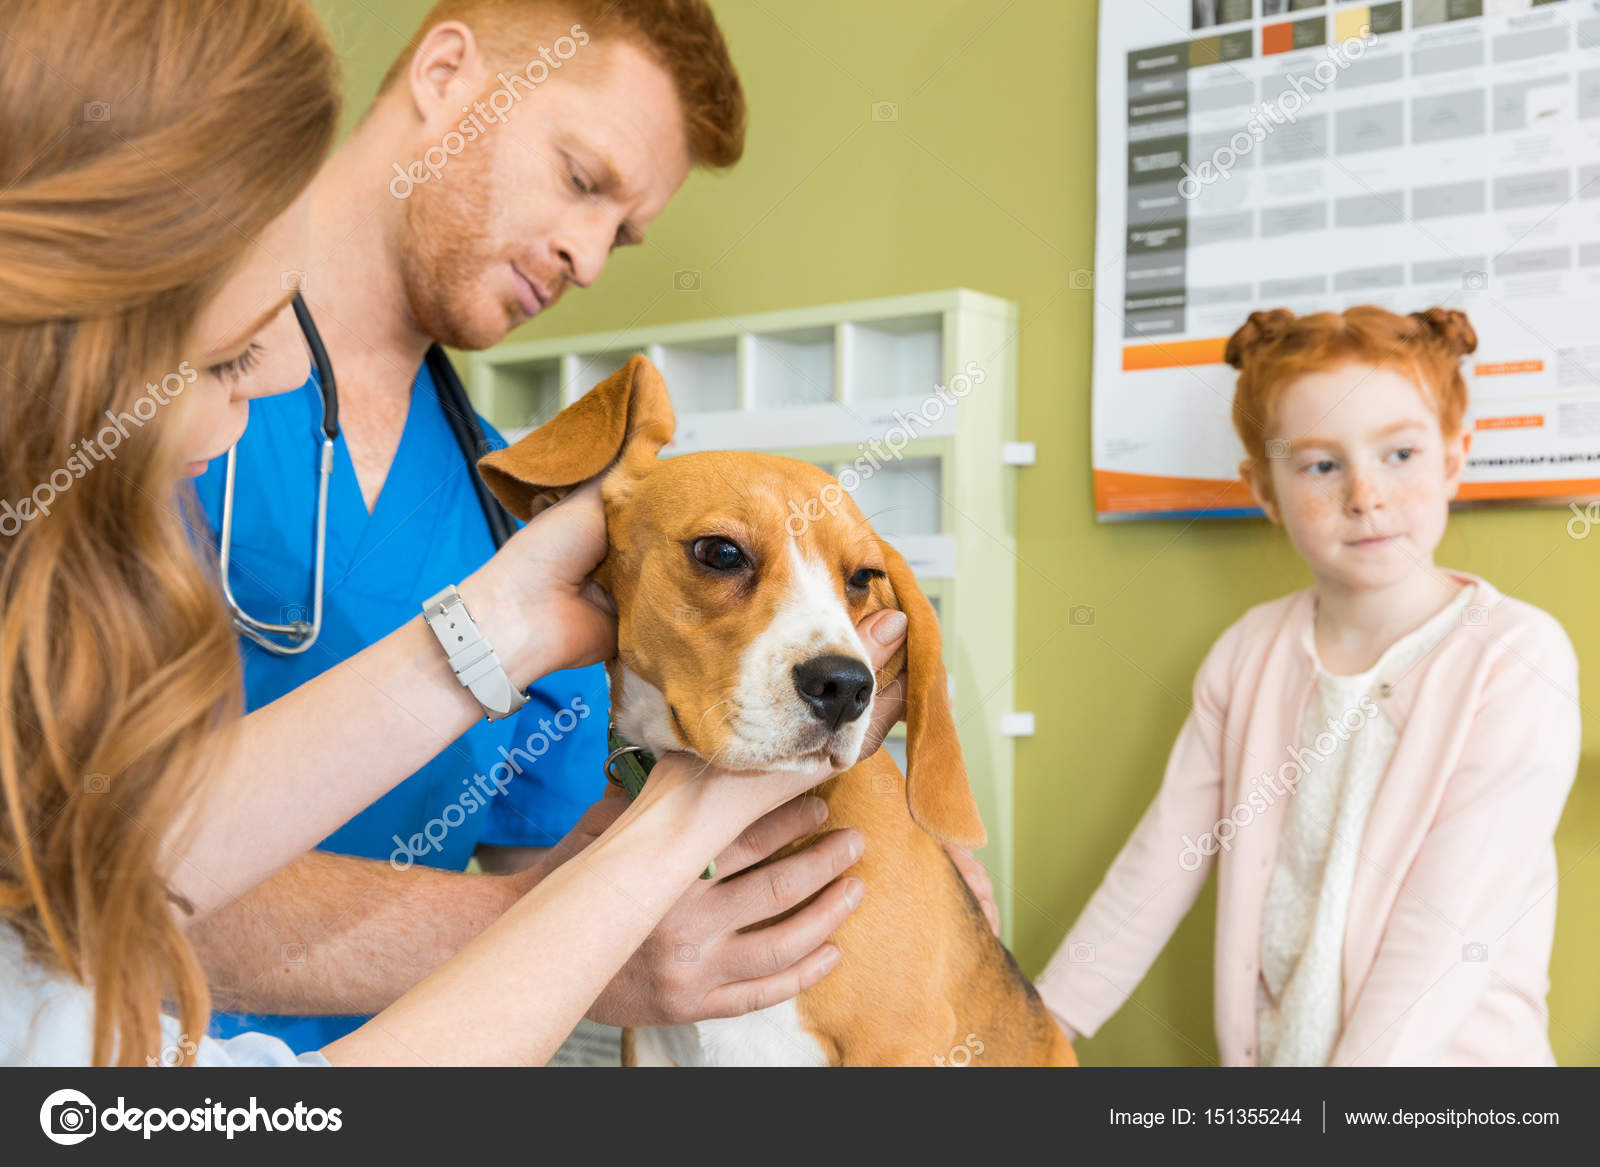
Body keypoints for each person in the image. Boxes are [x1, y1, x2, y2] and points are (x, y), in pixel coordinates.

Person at [0, 0, 901, 1068]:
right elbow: (54, 874)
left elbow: (103, 863)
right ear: (444, 71)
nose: (590, 256)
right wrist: (592, 934)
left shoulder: (520, 510)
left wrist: (865, 857)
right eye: (581, 177)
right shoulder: (112, 433)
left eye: (622, 229)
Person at [1035, 306, 1581, 1066]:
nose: (1365, 494)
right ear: (1263, 488)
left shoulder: (1517, 657)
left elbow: (1446, 928)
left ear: (1455, 457)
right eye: (1321, 465)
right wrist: (1040, 1022)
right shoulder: (1247, 654)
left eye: (1400, 453)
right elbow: (1165, 857)